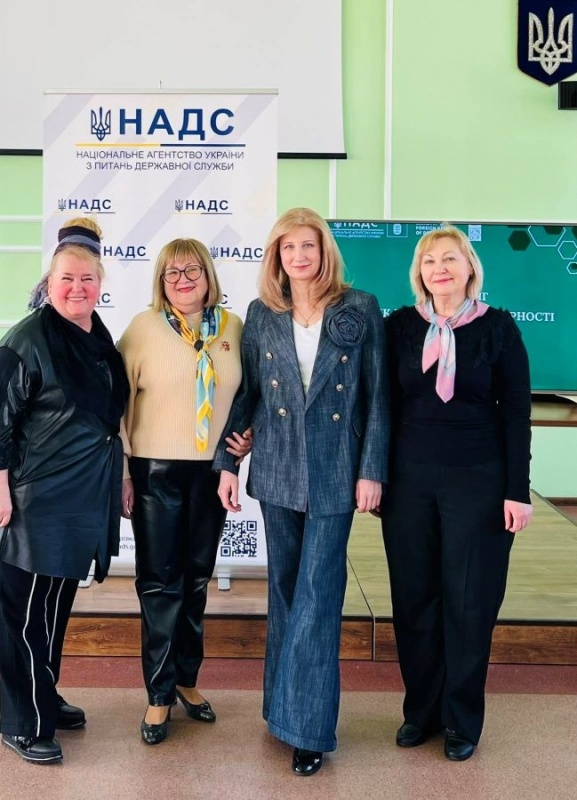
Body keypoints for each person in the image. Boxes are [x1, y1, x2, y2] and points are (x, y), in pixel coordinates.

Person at [214, 207, 389, 776]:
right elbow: (250, 394)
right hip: (277, 469)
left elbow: (377, 396)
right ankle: (281, 711)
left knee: (318, 594)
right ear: (277, 256)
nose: (299, 256)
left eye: (308, 246)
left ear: (324, 251)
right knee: (286, 591)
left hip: (337, 471)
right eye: (288, 248)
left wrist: (372, 470)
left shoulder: (359, 307)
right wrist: (228, 461)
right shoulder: (262, 313)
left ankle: (309, 729)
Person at [382, 225, 533, 761]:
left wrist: (518, 490)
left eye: (450, 258)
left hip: (480, 482)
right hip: (409, 483)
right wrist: (374, 476)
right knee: (414, 599)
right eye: (429, 260)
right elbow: (381, 408)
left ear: (470, 267)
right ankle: (421, 711)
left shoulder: (498, 328)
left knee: (470, 602)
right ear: (419, 273)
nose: (439, 268)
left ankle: (461, 720)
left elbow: (516, 414)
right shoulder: (400, 327)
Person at [0, 218, 129, 764]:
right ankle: (22, 720)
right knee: (21, 613)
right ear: (48, 284)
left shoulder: (97, 336)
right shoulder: (26, 339)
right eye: (67, 279)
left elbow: (106, 420)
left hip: (79, 498)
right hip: (35, 499)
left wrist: (122, 478)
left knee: (52, 608)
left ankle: (43, 695)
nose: (77, 288)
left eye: (87, 279)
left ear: (100, 283)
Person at [118, 238, 249, 746]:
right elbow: (118, 405)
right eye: (172, 273)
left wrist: (244, 439)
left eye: (192, 270)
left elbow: (248, 396)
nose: (182, 280)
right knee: (159, 583)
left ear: (208, 275)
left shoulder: (233, 328)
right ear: (160, 281)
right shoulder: (143, 328)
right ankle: (158, 694)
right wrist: (125, 472)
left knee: (196, 581)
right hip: (155, 470)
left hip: (212, 472)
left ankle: (187, 680)